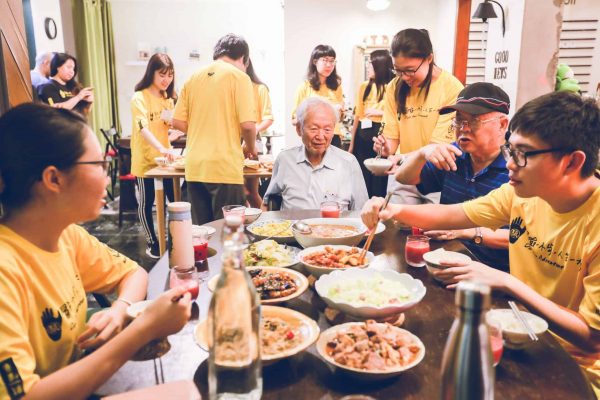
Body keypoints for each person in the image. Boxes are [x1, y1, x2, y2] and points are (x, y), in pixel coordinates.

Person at [362, 91, 600, 395]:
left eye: (523, 154)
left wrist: (506, 282)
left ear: (572, 162)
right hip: (519, 334)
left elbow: (592, 338)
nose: (510, 164)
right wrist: (390, 209)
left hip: (575, 372)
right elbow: (454, 214)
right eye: (510, 151)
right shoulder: (521, 194)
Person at [0, 103, 192, 399]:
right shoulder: (6, 269)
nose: (107, 176)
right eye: (99, 165)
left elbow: (134, 273)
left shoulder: (66, 236)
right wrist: (143, 329)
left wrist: (119, 310)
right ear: (54, 179)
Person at [395, 82, 511, 271]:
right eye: (459, 121)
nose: (463, 128)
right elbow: (404, 178)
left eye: (474, 121)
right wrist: (422, 153)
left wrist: (464, 231)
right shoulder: (454, 154)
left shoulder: (517, 167)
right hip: (446, 262)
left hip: (494, 271)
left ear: (502, 124)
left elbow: (522, 237)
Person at [172, 34, 257, 224]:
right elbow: (248, 126)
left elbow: (176, 121)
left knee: (201, 232)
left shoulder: (193, 78)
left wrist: (203, 129)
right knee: (229, 232)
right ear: (244, 58)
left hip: (194, 167)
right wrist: (251, 148)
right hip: (225, 167)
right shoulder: (240, 77)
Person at [373, 28, 464, 205]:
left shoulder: (452, 88)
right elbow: (391, 142)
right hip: (403, 172)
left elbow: (436, 148)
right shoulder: (394, 87)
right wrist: (384, 147)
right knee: (395, 221)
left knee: (434, 223)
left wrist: (402, 157)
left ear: (429, 58)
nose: (404, 77)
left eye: (410, 70)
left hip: (437, 173)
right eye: (398, 71)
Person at [263, 97, 368, 211]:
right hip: (293, 223)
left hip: (334, 223)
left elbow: (362, 211)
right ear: (299, 129)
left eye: (327, 130)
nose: (321, 136)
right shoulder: (285, 160)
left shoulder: (348, 163)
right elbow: (267, 204)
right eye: (314, 129)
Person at [131, 53, 184, 258]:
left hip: (165, 161)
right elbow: (143, 128)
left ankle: (172, 239)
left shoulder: (167, 99)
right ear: (151, 72)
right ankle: (153, 242)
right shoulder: (139, 97)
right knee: (147, 202)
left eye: (170, 75)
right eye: (162, 74)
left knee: (173, 200)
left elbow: (166, 126)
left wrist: (173, 134)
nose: (166, 80)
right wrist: (162, 148)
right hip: (145, 159)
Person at [348, 49, 394, 197]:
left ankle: (379, 205)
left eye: (371, 66)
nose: (368, 68)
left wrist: (379, 113)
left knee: (380, 177)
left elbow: (398, 114)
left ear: (380, 66)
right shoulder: (364, 86)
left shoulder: (393, 86)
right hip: (363, 134)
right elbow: (358, 115)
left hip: (382, 134)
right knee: (362, 175)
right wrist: (352, 144)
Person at [292, 45, 345, 148]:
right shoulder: (305, 87)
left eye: (332, 61)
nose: (329, 65)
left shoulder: (337, 87)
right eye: (325, 60)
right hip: (314, 137)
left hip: (333, 136)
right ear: (315, 61)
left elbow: (340, 118)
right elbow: (295, 119)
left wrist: (340, 111)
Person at [244, 58, 273, 208]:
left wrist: (254, 130)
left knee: (251, 191)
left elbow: (268, 118)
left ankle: (264, 219)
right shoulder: (229, 88)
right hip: (231, 142)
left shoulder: (260, 88)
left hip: (253, 139)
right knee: (238, 191)